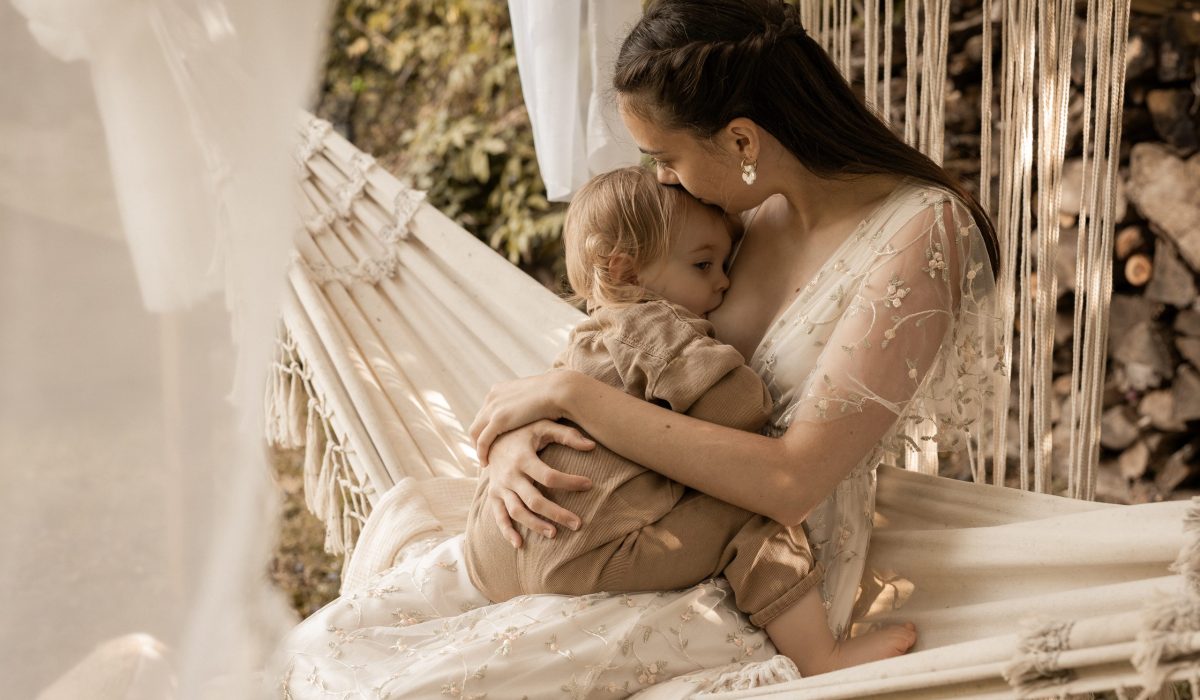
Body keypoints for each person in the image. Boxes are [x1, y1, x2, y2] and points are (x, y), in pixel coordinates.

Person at [277, 0, 1001, 695]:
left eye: (665, 157)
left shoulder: (921, 232)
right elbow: (628, 347)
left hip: (758, 572)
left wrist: (573, 400)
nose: (661, 180)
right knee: (316, 650)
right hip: (617, 516)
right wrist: (520, 442)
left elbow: (793, 482)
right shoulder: (734, 215)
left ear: (742, 141)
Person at [463, 165, 917, 676]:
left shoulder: (583, 344)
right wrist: (739, 368)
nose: (723, 282)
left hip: (494, 553)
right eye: (704, 265)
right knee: (756, 512)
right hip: (587, 557)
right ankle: (821, 655)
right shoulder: (657, 327)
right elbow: (737, 412)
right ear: (627, 273)